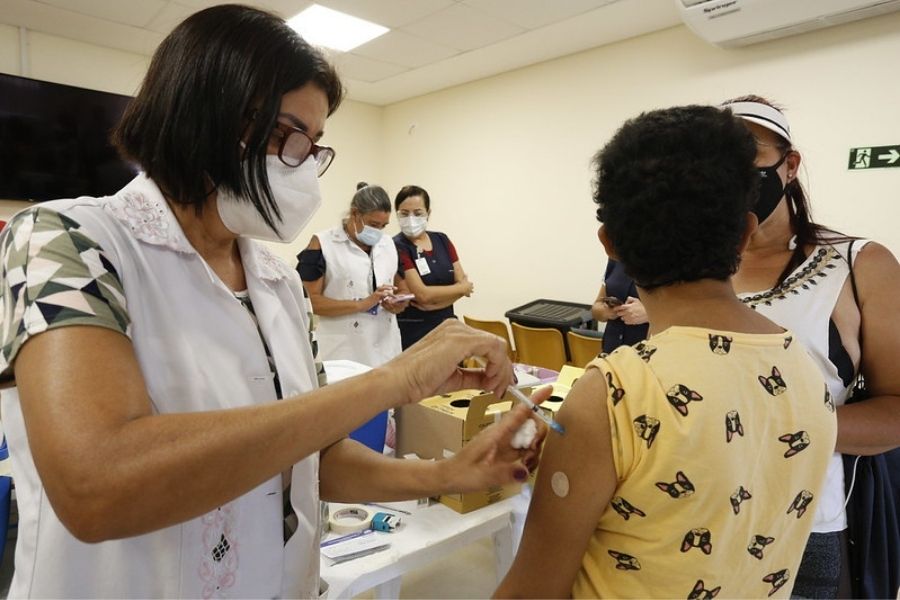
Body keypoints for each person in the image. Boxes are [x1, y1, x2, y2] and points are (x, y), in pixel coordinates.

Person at [0, 6, 547, 598]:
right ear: (203, 116)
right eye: (290, 135)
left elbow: (307, 460)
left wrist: (446, 474)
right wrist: (393, 380)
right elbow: (96, 485)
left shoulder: (274, 281)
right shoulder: (65, 239)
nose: (305, 167)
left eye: (315, 146)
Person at [495, 105, 837, 599]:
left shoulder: (613, 392)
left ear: (610, 243)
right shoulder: (806, 373)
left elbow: (531, 591)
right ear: (744, 232)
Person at [723, 95, 900, 598]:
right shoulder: (689, 271)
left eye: (746, 152)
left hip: (806, 517)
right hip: (701, 509)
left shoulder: (857, 263)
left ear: (789, 164)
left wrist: (771, 428)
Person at [297, 182, 406, 367]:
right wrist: (362, 304)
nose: (378, 231)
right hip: (343, 351)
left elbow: (402, 289)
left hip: (387, 347)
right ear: (355, 213)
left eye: (383, 226)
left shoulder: (388, 244)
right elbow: (309, 302)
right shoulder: (323, 243)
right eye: (373, 224)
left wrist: (398, 304)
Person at [393, 185, 474, 349]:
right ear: (397, 214)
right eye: (404, 213)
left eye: (417, 213)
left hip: (447, 327)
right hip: (414, 332)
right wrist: (461, 289)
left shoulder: (442, 240)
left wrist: (434, 304)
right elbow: (421, 295)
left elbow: (461, 282)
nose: (411, 219)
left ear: (428, 213)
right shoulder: (397, 246)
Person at [591, 259, 649, 353]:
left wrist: (648, 314)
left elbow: (680, 316)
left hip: (646, 352)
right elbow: (596, 308)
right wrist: (606, 311)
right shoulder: (615, 258)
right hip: (611, 350)